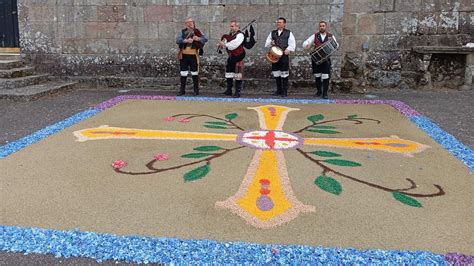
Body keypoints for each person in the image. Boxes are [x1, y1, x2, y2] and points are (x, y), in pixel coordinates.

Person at [303, 21, 336, 99]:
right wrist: (307, 45)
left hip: (326, 60)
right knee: (317, 76)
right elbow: (306, 42)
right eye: (320, 26)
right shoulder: (315, 36)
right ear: (319, 27)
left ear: (326, 27)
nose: (322, 27)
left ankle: (325, 93)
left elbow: (336, 45)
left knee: (325, 76)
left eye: (323, 26)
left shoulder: (330, 36)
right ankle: (319, 92)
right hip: (316, 59)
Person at [175, 17, 208, 96]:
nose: (190, 24)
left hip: (193, 55)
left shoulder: (197, 31)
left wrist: (198, 38)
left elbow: (205, 39)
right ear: (186, 24)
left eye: (191, 22)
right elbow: (177, 40)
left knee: (194, 73)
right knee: (183, 73)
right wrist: (185, 40)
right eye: (188, 22)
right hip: (184, 55)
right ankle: (182, 90)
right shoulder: (182, 32)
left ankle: (196, 90)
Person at [264, 17, 296, 98]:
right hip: (274, 56)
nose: (278, 24)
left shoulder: (289, 33)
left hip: (284, 55)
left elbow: (292, 44)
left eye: (280, 22)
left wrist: (288, 49)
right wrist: (271, 43)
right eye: (278, 22)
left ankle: (285, 91)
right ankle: (279, 90)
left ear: (284, 24)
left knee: (284, 73)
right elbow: (266, 44)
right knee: (276, 73)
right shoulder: (272, 33)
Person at [218, 20, 246, 98]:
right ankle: (229, 90)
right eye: (231, 26)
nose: (231, 27)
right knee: (229, 71)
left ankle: (237, 92)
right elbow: (225, 44)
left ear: (237, 27)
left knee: (237, 72)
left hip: (239, 55)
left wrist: (225, 44)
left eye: (233, 26)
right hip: (232, 55)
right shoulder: (230, 35)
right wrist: (221, 45)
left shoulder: (240, 35)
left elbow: (235, 44)